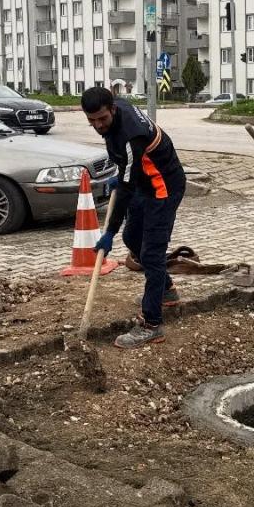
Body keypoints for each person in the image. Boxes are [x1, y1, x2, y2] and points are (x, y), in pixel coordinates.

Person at [81, 86, 186, 348]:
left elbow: (126, 187)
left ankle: (152, 325)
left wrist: (109, 233)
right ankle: (166, 289)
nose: (98, 125)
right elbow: (128, 171)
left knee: (151, 253)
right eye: (91, 120)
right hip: (144, 181)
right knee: (133, 237)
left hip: (163, 188)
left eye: (102, 119)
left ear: (113, 109)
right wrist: (125, 173)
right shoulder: (115, 112)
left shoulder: (131, 137)